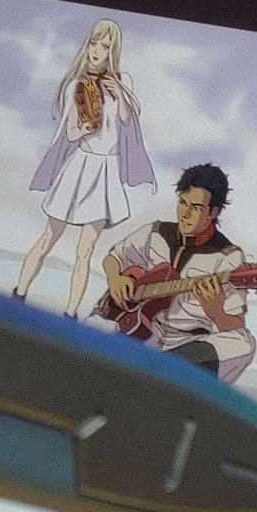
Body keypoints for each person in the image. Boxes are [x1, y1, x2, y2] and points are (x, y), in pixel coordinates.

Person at [13, 18, 155, 317]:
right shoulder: (76, 85)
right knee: (49, 237)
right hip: (80, 167)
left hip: (106, 172)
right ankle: (19, 294)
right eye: (94, 43)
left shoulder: (122, 83)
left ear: (113, 52)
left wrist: (120, 94)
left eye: (105, 46)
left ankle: (71, 314)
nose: (97, 51)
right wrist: (85, 129)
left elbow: (127, 122)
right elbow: (69, 132)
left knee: (85, 251)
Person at [95, 163, 257, 383]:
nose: (185, 214)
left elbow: (234, 324)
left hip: (187, 347)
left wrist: (216, 312)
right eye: (182, 203)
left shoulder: (229, 257)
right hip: (139, 328)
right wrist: (116, 279)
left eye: (196, 208)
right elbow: (113, 258)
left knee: (243, 343)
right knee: (90, 325)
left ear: (214, 211)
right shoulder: (156, 232)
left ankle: (165, 372)